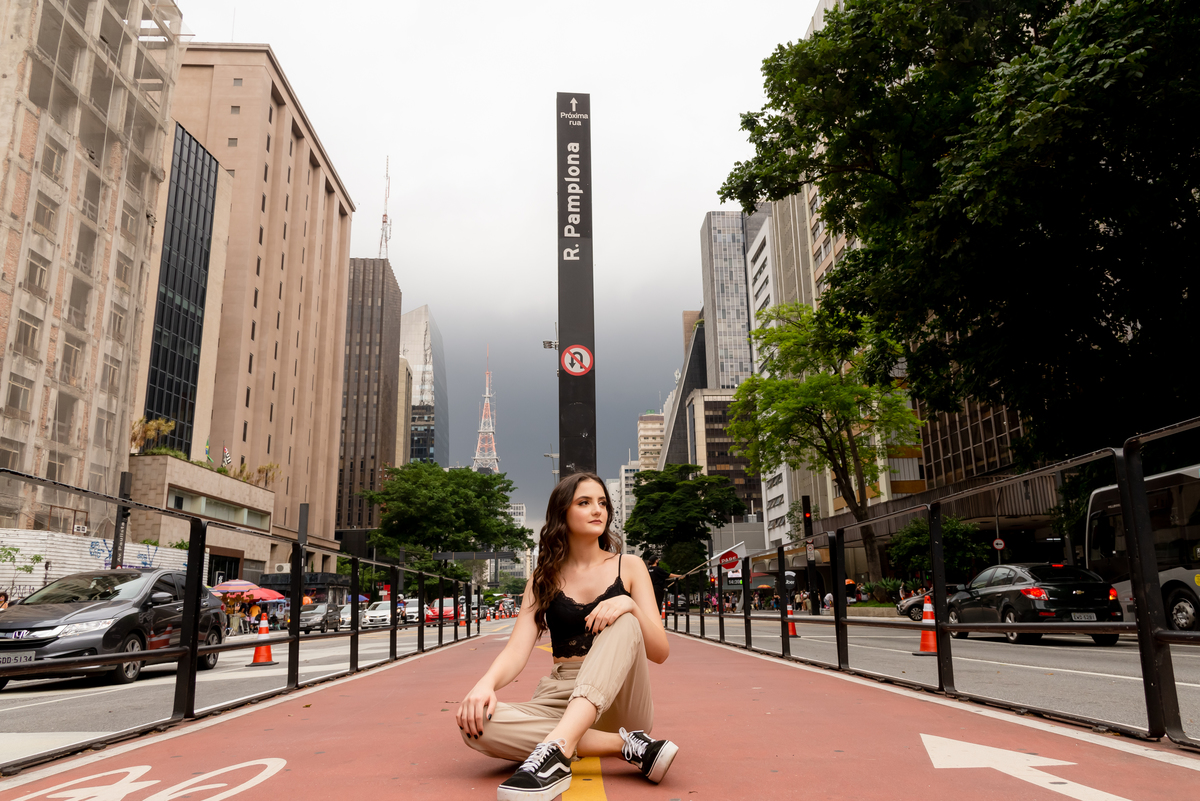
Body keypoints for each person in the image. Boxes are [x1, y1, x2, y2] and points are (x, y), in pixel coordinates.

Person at [456, 472, 678, 800]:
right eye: (584, 502)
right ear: (562, 512)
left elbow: (660, 652)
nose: (597, 510)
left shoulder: (630, 566)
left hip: (620, 699)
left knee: (625, 620)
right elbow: (517, 650)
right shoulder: (542, 578)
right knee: (475, 724)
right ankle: (625, 745)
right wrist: (483, 685)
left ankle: (556, 751)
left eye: (602, 503)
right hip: (559, 697)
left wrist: (628, 604)